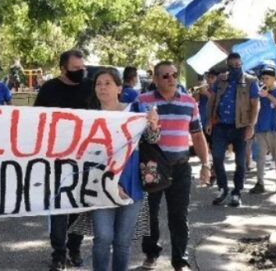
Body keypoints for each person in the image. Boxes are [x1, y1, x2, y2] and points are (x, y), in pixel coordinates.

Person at [138, 61, 211, 271]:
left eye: (174, 75)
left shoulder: (189, 102)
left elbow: (197, 136)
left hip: (180, 167)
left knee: (179, 215)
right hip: (151, 167)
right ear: (155, 79)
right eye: (165, 76)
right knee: (149, 213)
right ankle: (151, 253)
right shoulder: (142, 101)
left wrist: (206, 164)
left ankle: (180, 261)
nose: (171, 79)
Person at [90, 66, 160, 271]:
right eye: (98, 84)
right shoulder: (88, 117)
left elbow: (153, 140)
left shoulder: (136, 111)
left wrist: (154, 125)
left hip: (132, 184)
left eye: (108, 83)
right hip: (100, 185)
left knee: (122, 241)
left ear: (120, 88)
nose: (102, 88)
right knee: (103, 237)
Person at [34, 49, 93, 271]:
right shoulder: (49, 89)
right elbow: (37, 120)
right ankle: (59, 253)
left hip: (84, 157)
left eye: (83, 68)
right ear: (63, 68)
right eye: (76, 68)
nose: (81, 72)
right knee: (58, 206)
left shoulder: (89, 87)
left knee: (79, 205)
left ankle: (75, 248)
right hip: (56, 159)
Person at [206, 52, 258, 208]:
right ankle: (223, 188)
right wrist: (209, 120)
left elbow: (255, 105)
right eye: (232, 65)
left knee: (240, 162)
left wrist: (251, 126)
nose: (235, 68)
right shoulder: (221, 81)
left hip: (240, 127)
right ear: (227, 65)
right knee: (216, 158)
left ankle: (237, 192)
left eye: (238, 65)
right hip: (220, 125)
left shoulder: (250, 81)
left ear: (242, 64)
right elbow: (212, 100)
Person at [250, 66, 276, 194]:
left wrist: (268, 96)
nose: (264, 81)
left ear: (274, 79)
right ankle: (260, 183)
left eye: (267, 78)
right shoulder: (259, 92)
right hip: (261, 128)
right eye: (263, 78)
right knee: (260, 157)